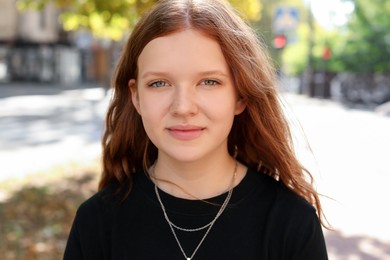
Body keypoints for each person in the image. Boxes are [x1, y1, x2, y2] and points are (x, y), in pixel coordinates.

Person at [64, 0, 329, 259]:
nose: (182, 107)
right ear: (136, 97)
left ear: (240, 96)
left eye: (209, 82)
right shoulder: (97, 222)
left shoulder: (291, 223)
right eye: (159, 83)